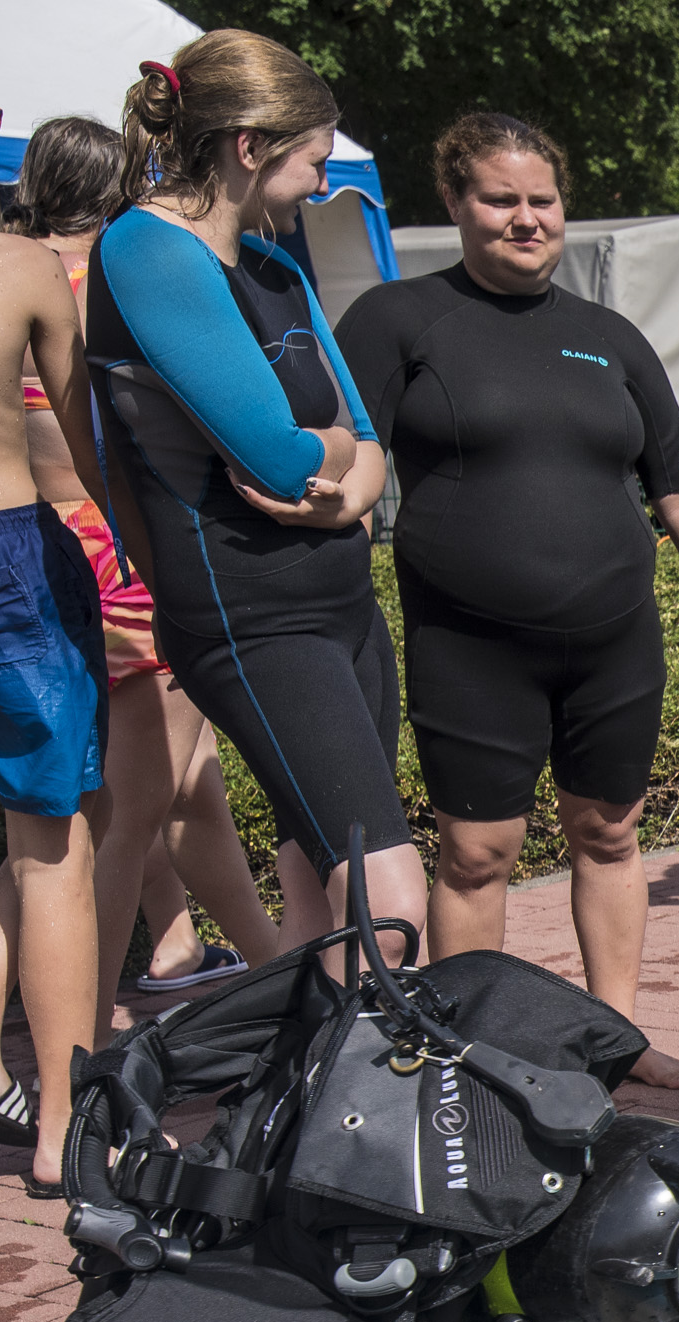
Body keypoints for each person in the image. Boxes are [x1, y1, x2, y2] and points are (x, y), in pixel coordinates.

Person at [337, 113, 679, 1091]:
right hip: (472, 642)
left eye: (542, 200)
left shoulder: (609, 337)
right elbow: (341, 452)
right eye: (500, 198)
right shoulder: (398, 321)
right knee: (476, 849)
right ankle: (464, 1049)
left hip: (614, 639)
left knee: (610, 831)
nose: (525, 219)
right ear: (454, 202)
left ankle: (611, 1034)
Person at [86, 36, 417, 974]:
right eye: (314, 160)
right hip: (251, 613)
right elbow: (274, 456)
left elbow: (363, 441)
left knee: (321, 877)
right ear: (248, 146)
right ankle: (381, 1101)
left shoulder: (279, 271)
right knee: (389, 891)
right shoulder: (146, 248)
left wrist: (343, 485)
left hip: (342, 604)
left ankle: (314, 1102)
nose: (321, 184)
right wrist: (338, 467)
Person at [10, 115, 282, 1017]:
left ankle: (283, 972)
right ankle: (79, 1048)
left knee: (184, 784)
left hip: (33, 549)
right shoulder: (109, 283)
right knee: (120, 814)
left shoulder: (16, 266)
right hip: (115, 554)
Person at [0, 213, 110, 1218]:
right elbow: (92, 444)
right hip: (13, 564)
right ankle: (64, 1122)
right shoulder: (23, 264)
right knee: (50, 850)